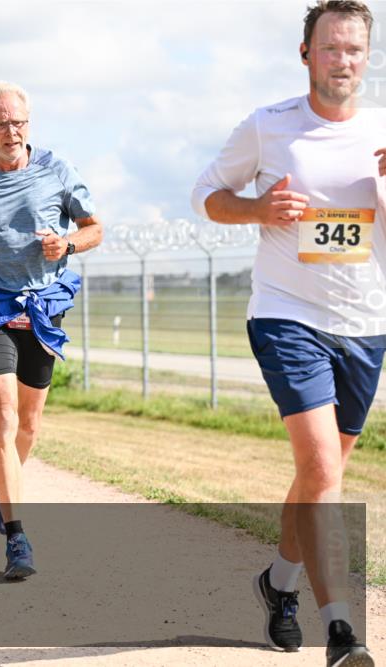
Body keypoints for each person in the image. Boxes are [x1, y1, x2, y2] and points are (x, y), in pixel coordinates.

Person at [192, 2, 381, 664]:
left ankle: (280, 583)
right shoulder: (270, 128)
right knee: (323, 466)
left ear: (368, 56)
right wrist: (257, 208)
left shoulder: (383, 132)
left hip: (365, 325)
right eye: (330, 48)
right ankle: (342, 631)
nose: (343, 61)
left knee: (317, 474)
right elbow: (207, 196)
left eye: (354, 49)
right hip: (286, 314)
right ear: (306, 54)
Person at [0, 81, 104, 580]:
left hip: (42, 305)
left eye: (18, 122)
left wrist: (68, 244)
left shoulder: (57, 169)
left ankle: (4, 484)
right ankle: (17, 536)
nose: (11, 131)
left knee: (30, 424)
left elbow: (95, 227)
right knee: (5, 413)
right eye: (0, 124)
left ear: (28, 123)